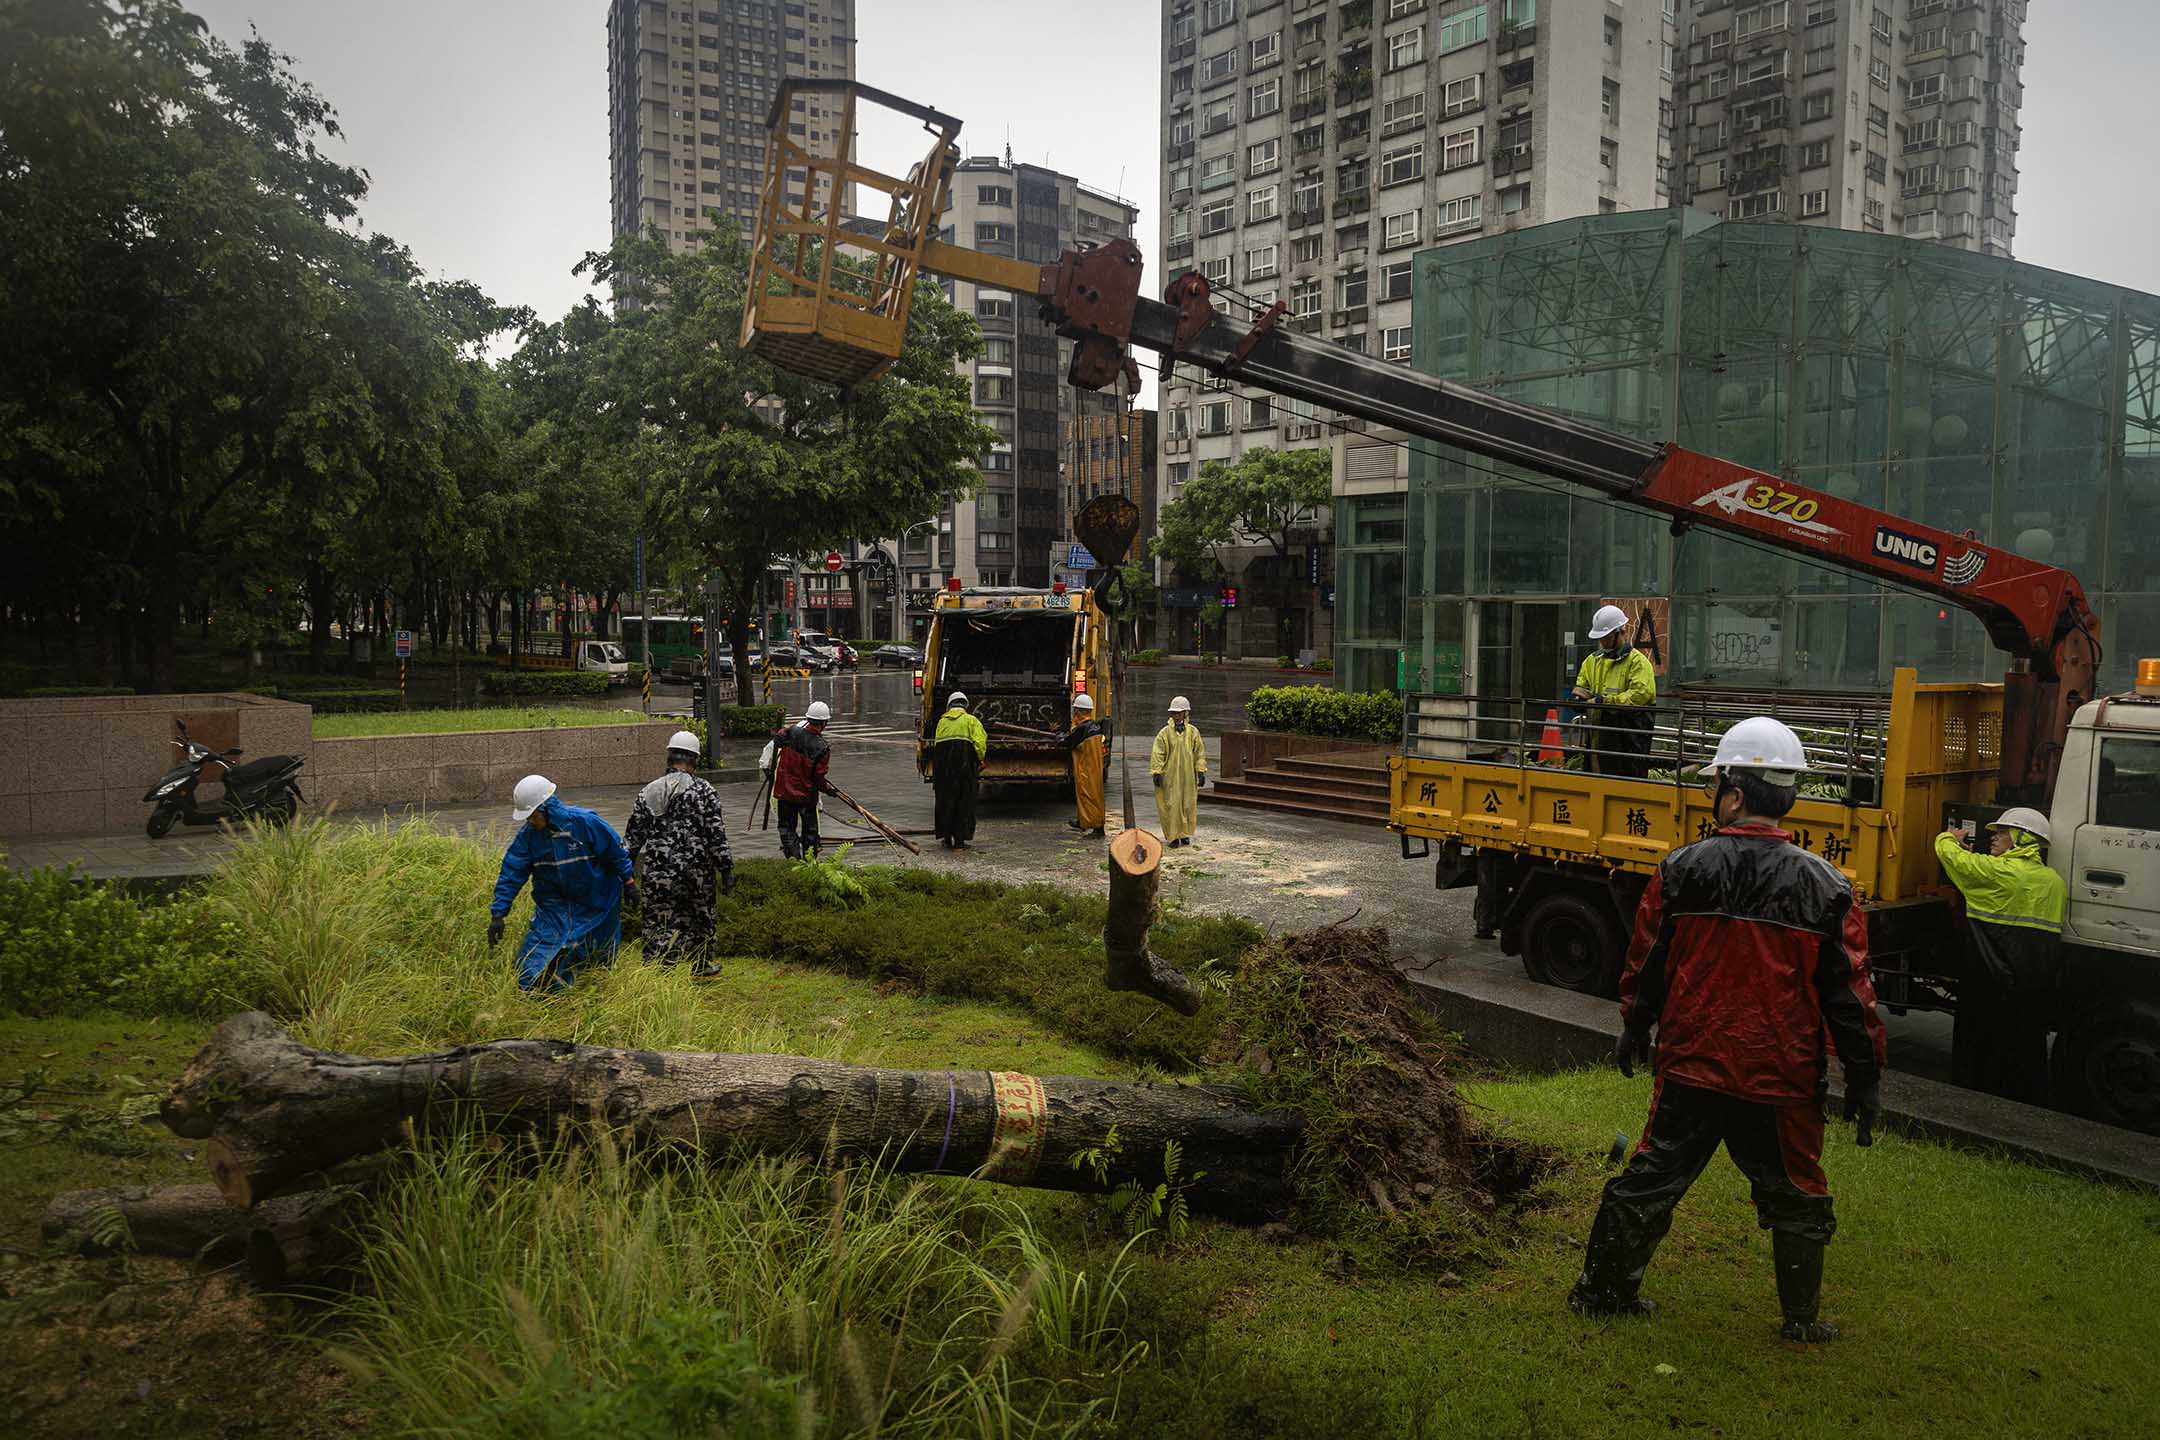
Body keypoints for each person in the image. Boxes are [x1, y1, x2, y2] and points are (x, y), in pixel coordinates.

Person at [1569, 716, 1886, 1344]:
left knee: (1652, 1177)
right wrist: (1866, 1083)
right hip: (1783, 1077)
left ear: (1734, 793)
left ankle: (1602, 1294)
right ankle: (1800, 1321)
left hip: (1693, 1064)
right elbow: (1852, 999)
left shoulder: (1681, 869)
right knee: (1797, 1191)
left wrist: (1634, 1027)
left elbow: (1647, 962)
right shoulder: (1830, 888)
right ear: (1788, 795)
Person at [1934, 807, 2066, 1105]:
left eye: (2003, 832)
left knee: (1980, 1050)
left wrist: (1949, 837)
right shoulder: (2054, 882)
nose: (1994, 837)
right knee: (2023, 1055)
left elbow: (1951, 857)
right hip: (2031, 990)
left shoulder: (1996, 873)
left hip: (1987, 983)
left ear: (2022, 839)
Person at [487, 774, 636, 991]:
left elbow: (615, 853)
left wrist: (630, 883)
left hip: (597, 902)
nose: (529, 821)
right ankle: (542, 993)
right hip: (553, 908)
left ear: (546, 808)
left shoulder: (586, 824)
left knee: (595, 961)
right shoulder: (529, 837)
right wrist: (498, 914)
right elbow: (512, 872)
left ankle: (589, 996)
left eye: (532, 815)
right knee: (529, 968)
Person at [625, 729, 733, 966]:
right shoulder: (705, 791)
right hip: (698, 872)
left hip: (658, 871)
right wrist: (726, 870)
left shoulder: (649, 791)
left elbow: (632, 840)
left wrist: (626, 875)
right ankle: (701, 965)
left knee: (658, 921)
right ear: (694, 759)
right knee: (701, 918)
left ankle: (658, 968)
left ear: (669, 757)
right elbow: (716, 835)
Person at [1574, 604, 1657, 779]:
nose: (1603, 642)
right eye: (1601, 638)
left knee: (1625, 779)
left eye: (1607, 637)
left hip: (1628, 735)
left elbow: (1640, 695)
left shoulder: (1638, 663)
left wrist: (1604, 701)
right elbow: (1583, 685)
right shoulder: (1593, 660)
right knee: (1596, 774)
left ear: (1621, 632)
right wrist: (1578, 698)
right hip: (1598, 734)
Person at [772, 700, 838, 860]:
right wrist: (829, 789)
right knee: (810, 832)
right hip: (806, 796)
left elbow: (778, 738)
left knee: (786, 829)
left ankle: (794, 860)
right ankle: (809, 863)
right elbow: (818, 778)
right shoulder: (822, 747)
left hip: (784, 792)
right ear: (824, 723)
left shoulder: (792, 732)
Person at [931, 691, 987, 850]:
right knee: (964, 802)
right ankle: (960, 842)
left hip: (944, 769)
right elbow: (980, 744)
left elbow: (938, 747)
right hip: (964, 767)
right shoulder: (971, 721)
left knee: (946, 801)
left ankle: (946, 838)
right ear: (965, 706)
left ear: (949, 706)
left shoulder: (942, 723)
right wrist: (980, 760)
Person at [1150, 695, 1207, 849]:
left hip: (1188, 776)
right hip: (1170, 777)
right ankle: (1172, 836)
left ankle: (1184, 834)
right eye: (1173, 713)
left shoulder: (1193, 732)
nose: (1175, 715)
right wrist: (1157, 772)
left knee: (1187, 805)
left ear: (1185, 714)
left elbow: (1199, 752)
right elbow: (1158, 753)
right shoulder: (1164, 733)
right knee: (1171, 805)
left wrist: (1200, 771)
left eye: (1178, 713)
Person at [1063, 692, 1110, 838]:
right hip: (1095, 768)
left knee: (1087, 796)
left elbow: (1068, 742)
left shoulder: (1082, 728)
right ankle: (1085, 821)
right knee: (1095, 796)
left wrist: (1058, 737)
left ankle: (1096, 828)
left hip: (1086, 769)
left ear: (1078, 711)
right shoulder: (1094, 725)